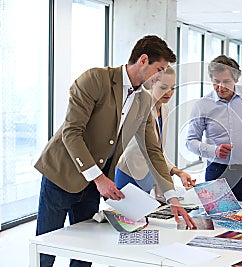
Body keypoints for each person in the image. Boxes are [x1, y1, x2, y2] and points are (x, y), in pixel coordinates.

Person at [34, 35, 196, 267]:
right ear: (143, 60)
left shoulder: (143, 100)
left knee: (85, 251)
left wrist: (172, 198)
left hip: (94, 183)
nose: (161, 76)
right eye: (159, 69)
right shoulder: (95, 79)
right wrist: (98, 178)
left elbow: (153, 150)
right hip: (62, 173)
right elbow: (72, 132)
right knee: (46, 247)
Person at [185, 55, 242, 201]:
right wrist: (213, 150)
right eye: (216, 82)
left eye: (226, 81)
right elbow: (190, 142)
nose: (221, 87)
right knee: (215, 220)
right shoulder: (202, 105)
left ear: (236, 79)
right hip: (216, 171)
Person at [115, 66, 195, 195]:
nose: (169, 92)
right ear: (151, 84)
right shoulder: (139, 108)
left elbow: (158, 151)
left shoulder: (164, 109)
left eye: (173, 88)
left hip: (149, 174)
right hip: (130, 172)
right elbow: (148, 151)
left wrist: (178, 172)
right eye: (163, 87)